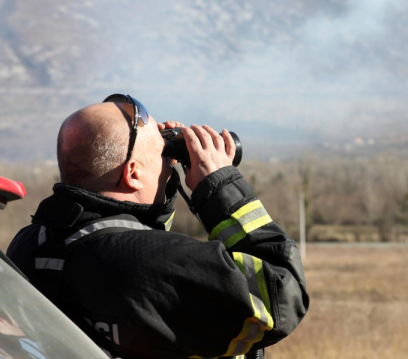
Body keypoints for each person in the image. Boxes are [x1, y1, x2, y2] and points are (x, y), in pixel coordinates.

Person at [7, 95, 309, 359]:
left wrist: (159, 177)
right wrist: (221, 188)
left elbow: (127, 238)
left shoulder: (29, 246)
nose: (170, 164)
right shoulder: (149, 263)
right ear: (133, 174)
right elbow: (282, 295)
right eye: (164, 154)